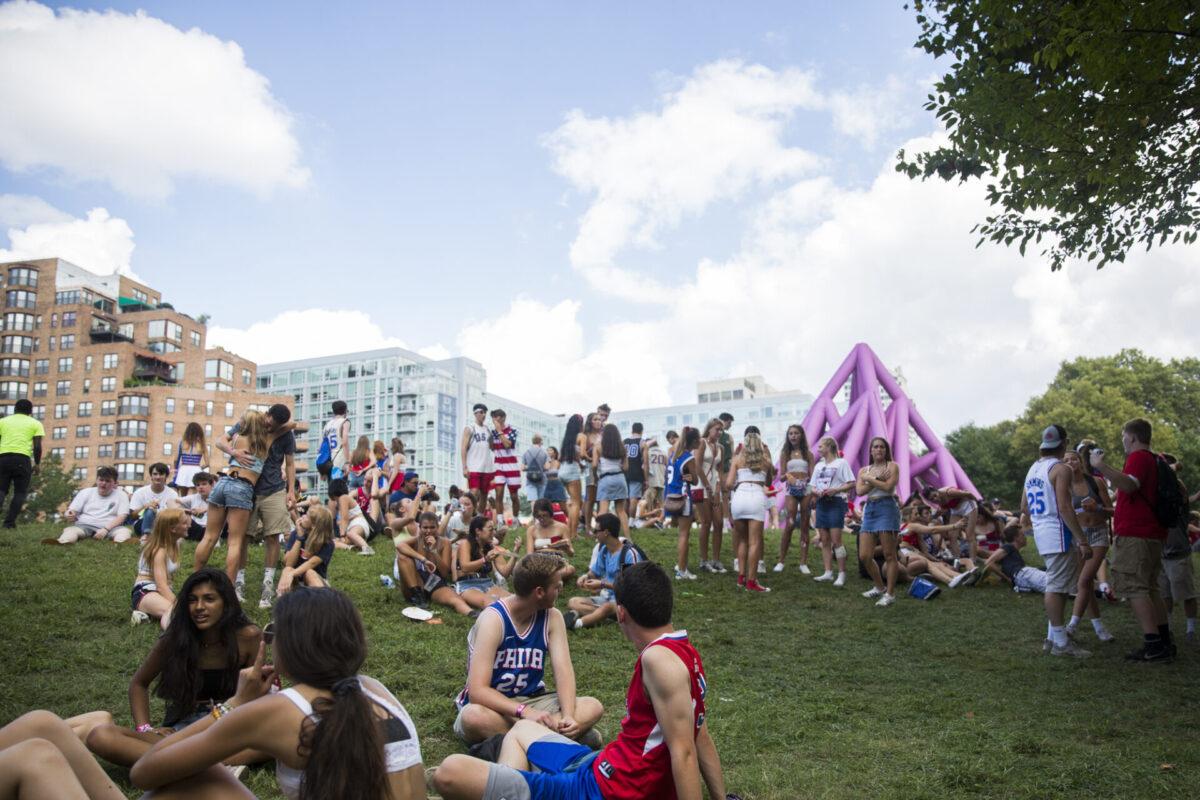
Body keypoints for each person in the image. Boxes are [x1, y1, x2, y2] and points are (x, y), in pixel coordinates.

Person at [433, 561, 731, 800]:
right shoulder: (685, 652)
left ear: (621, 614)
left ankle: (512, 780)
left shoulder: (657, 659)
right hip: (598, 766)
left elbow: (684, 752)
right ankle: (514, 777)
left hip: (597, 789)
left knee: (449, 772)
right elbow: (699, 734)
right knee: (522, 729)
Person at [129, 588, 426, 800]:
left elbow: (144, 771)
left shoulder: (281, 710)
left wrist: (235, 703)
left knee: (190, 779)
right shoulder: (375, 690)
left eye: (272, 634)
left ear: (290, 644)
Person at [86, 569, 261, 769]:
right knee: (100, 736)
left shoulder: (249, 637)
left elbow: (260, 693)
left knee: (277, 739)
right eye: (192, 600)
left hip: (231, 726)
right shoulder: (175, 639)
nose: (199, 607)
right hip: (183, 730)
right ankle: (206, 766)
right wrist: (145, 729)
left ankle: (181, 765)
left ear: (226, 603)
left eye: (209, 599)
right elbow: (139, 684)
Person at [452, 552, 604, 746]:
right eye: (557, 586)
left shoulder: (553, 617)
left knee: (593, 706)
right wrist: (524, 712)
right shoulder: (494, 619)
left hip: (534, 699)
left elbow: (563, 671)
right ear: (539, 592)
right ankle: (557, 741)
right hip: (494, 706)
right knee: (473, 717)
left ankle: (526, 743)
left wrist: (567, 715)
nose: (561, 589)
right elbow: (478, 691)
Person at [1091, 418, 1174, 662]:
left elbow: (1129, 485)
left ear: (1133, 437)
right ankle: (1164, 641)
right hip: (1153, 533)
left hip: (1136, 534)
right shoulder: (1157, 460)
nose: (1123, 442)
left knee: (1136, 587)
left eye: (1123, 437)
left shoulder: (1138, 458)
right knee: (1151, 587)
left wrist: (1101, 466)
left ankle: (1153, 644)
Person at [1020, 424, 1091, 658]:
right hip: (1059, 533)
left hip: (1042, 534)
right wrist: (1082, 540)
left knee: (1057, 585)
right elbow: (1065, 507)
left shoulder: (1033, 468)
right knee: (1056, 589)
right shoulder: (1061, 469)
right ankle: (1060, 643)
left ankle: (1052, 638)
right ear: (1064, 443)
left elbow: (1024, 507)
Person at [219, 403, 297, 609]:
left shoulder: (286, 434)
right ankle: (238, 584)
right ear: (266, 414)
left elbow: (290, 463)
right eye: (269, 423)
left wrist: (291, 490)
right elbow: (222, 440)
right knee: (243, 537)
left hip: (274, 489)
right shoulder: (250, 423)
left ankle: (267, 586)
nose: (270, 428)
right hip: (247, 489)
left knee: (273, 536)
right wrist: (233, 452)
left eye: (276, 426)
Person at [194, 409, 282, 588]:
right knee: (235, 542)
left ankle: (193, 580)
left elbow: (220, 440)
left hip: (222, 483)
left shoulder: (236, 439)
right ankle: (229, 588)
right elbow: (289, 425)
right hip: (242, 486)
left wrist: (234, 451)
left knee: (209, 537)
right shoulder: (265, 441)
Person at [1062, 447, 1115, 642]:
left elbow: (1111, 511)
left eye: (1074, 459)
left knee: (1083, 581)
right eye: (1066, 460)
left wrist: (1097, 507)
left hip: (1098, 534)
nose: (1071, 463)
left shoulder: (1095, 482)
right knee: (1086, 584)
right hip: (1078, 536)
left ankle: (1072, 626)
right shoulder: (1063, 486)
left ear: (1080, 462)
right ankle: (1099, 627)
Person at [564, 512, 642, 630]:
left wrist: (602, 584)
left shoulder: (629, 554)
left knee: (607, 607)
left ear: (606, 532)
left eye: (596, 531)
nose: (594, 534)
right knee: (573, 602)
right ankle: (607, 617)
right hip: (606, 598)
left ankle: (578, 623)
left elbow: (630, 588)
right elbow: (594, 573)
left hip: (625, 602)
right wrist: (585, 577)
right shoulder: (604, 550)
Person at [393, 511, 476, 614]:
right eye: (425, 527)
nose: (428, 531)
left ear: (438, 527)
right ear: (420, 527)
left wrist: (434, 551)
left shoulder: (445, 543)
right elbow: (399, 546)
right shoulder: (416, 540)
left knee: (455, 599)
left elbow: (444, 573)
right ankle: (418, 596)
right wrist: (423, 559)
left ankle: (473, 614)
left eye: (432, 527)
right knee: (402, 557)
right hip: (417, 583)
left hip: (436, 582)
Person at [856, 437, 901, 607]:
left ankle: (890, 594)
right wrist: (878, 479)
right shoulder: (864, 470)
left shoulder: (892, 466)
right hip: (870, 509)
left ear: (886, 450)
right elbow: (859, 491)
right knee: (865, 555)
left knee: (889, 554)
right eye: (875, 447)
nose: (879, 449)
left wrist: (870, 479)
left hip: (887, 508)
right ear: (871, 450)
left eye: (882, 447)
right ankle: (880, 587)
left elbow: (888, 488)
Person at [727, 427, 773, 592]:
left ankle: (741, 577)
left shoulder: (737, 459)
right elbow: (768, 482)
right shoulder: (766, 461)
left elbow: (728, 484)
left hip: (740, 496)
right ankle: (752, 581)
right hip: (756, 497)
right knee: (754, 542)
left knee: (742, 540)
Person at [130, 507, 190, 629]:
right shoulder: (159, 551)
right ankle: (171, 637)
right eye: (184, 523)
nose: (189, 525)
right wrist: (179, 605)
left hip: (162, 591)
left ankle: (144, 614)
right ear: (172, 529)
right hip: (145, 591)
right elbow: (161, 586)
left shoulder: (176, 542)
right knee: (176, 613)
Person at [809, 436, 855, 586]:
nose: (818, 449)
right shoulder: (818, 466)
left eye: (820, 446)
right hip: (821, 503)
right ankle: (828, 572)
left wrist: (836, 490)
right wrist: (816, 491)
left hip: (836, 503)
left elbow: (852, 483)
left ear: (829, 447)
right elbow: (811, 486)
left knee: (837, 541)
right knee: (825, 540)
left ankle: (842, 573)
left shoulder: (842, 463)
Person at [55, 466, 131, 544]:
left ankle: (119, 545)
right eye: (101, 480)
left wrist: (105, 529)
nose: (103, 483)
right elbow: (72, 510)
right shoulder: (85, 492)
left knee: (124, 532)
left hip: (111, 527)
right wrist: (69, 514)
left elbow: (122, 516)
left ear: (114, 483)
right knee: (71, 531)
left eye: (107, 481)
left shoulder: (122, 495)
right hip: (84, 525)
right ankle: (63, 542)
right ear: (96, 480)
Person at [775, 423, 814, 574]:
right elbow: (781, 476)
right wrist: (788, 476)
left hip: (806, 489)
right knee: (790, 523)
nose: (793, 436)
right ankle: (781, 561)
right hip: (791, 489)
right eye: (790, 433)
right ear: (788, 436)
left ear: (801, 435)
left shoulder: (808, 454)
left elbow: (812, 475)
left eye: (796, 433)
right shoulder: (785, 453)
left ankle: (803, 563)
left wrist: (810, 490)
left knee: (804, 525)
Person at [455, 515, 516, 609]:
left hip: (487, 583)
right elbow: (465, 567)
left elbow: (505, 572)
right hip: (467, 584)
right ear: (478, 531)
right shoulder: (465, 543)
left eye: (494, 529)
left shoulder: (490, 546)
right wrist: (485, 559)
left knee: (513, 600)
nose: (494, 533)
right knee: (493, 605)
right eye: (490, 529)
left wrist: (515, 553)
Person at [0, 397, 43, 528]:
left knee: (1, 489)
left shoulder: (3, 421)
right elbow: (37, 447)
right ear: (30, 411)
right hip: (22, 459)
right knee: (20, 492)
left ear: (14, 409)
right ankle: (9, 523)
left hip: (3, 458)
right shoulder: (35, 424)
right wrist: (37, 464)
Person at [666, 427, 700, 580]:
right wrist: (690, 478)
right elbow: (695, 480)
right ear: (694, 441)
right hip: (683, 497)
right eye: (699, 439)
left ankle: (681, 565)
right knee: (684, 535)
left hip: (671, 496)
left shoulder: (673, 455)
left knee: (681, 534)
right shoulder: (688, 457)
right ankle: (682, 570)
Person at [279, 505, 336, 594]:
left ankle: (324, 599)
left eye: (307, 516)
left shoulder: (327, 543)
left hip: (315, 581)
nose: (303, 516)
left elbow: (311, 564)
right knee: (287, 569)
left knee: (309, 572)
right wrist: (299, 538)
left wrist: (291, 574)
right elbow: (288, 563)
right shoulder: (296, 534)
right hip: (296, 579)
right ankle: (284, 600)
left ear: (313, 525)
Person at [981, 523, 1051, 593]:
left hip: (1022, 579)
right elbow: (988, 562)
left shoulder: (1011, 555)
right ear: (1016, 538)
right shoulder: (1008, 546)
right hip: (1022, 574)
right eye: (1022, 535)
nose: (1025, 537)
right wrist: (1006, 578)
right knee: (1053, 585)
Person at [694, 419, 725, 574]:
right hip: (701, 486)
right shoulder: (701, 442)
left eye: (721, 430)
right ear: (710, 428)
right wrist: (707, 486)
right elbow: (697, 466)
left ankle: (716, 560)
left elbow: (720, 470)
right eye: (717, 429)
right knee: (706, 522)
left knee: (719, 522)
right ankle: (704, 560)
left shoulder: (721, 448)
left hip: (714, 487)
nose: (720, 432)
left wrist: (718, 490)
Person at [920, 485, 979, 561]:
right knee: (952, 536)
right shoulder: (938, 502)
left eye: (935, 495)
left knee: (969, 535)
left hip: (968, 505)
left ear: (937, 491)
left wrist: (978, 504)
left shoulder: (948, 492)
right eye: (932, 499)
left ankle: (973, 560)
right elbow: (942, 510)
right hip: (955, 510)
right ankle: (957, 560)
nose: (935, 499)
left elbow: (968, 493)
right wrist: (930, 518)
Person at [593, 423, 630, 537]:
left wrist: (595, 476)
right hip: (619, 478)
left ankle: (598, 536)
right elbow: (626, 468)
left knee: (603, 510)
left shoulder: (598, 446)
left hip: (605, 479)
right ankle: (628, 537)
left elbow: (594, 465)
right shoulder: (622, 447)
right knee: (621, 511)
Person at [129, 462, 179, 540]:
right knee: (149, 511)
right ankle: (146, 535)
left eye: (161, 474)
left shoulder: (172, 494)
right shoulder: (140, 492)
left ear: (166, 476)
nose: (158, 477)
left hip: (163, 523)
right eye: (155, 474)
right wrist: (144, 507)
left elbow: (175, 516)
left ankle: (152, 536)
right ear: (151, 476)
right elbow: (133, 516)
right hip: (142, 523)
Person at [557, 414, 586, 537]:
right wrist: (591, 458)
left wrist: (580, 464)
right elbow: (583, 454)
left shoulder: (566, 439)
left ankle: (569, 530)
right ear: (580, 424)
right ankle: (574, 534)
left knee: (575, 502)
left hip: (562, 471)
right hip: (572, 472)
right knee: (576, 503)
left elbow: (561, 457)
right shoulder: (581, 436)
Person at [490, 409, 521, 521]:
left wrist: (499, 431)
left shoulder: (513, 430)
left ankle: (516, 519)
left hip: (511, 466)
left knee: (514, 496)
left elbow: (507, 445)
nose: (495, 420)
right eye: (493, 418)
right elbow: (492, 447)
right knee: (498, 493)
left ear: (503, 418)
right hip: (499, 465)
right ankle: (500, 520)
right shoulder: (492, 432)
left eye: (497, 417)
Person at [580, 412, 604, 531]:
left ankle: (600, 527)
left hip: (604, 467)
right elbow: (582, 454)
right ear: (590, 421)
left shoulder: (604, 435)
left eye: (600, 419)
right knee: (590, 498)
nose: (598, 421)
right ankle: (588, 527)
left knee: (601, 498)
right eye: (595, 419)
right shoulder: (586, 436)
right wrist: (592, 459)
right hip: (590, 467)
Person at [170, 422, 207, 496]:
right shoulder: (202, 444)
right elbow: (207, 464)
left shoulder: (182, 443)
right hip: (196, 469)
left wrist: (176, 469)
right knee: (194, 495)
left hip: (183, 470)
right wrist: (200, 468)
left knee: (183, 496)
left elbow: (175, 460)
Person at [318, 399, 351, 481]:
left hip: (327, 461)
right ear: (345, 411)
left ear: (333, 411)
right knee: (339, 486)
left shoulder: (327, 425)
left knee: (331, 487)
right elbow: (345, 442)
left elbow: (320, 447)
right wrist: (347, 462)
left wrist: (321, 471)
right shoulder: (345, 422)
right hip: (339, 461)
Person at [622, 422, 648, 523]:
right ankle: (631, 522)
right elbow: (645, 463)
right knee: (633, 498)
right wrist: (646, 479)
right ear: (642, 431)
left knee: (625, 498)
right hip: (637, 473)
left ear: (632, 430)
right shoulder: (643, 443)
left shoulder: (624, 442)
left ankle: (624, 521)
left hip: (624, 473)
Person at [177, 471, 214, 540]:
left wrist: (205, 509)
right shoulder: (194, 497)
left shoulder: (218, 498)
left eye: (204, 484)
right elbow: (170, 501)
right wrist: (183, 510)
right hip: (196, 528)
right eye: (198, 485)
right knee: (184, 514)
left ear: (211, 485)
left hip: (213, 528)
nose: (201, 487)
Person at [522, 432, 548, 503]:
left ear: (532, 441)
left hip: (530, 480)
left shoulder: (526, 452)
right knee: (541, 501)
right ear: (540, 441)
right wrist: (540, 467)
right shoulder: (544, 453)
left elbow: (522, 468)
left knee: (533, 500)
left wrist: (530, 467)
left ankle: (534, 510)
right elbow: (547, 467)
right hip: (542, 479)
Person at [644, 433, 667, 512]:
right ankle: (662, 517)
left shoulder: (648, 453)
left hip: (651, 480)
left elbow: (645, 467)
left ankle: (651, 516)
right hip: (662, 480)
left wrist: (645, 480)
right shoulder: (664, 453)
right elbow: (667, 467)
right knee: (662, 503)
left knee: (650, 503)